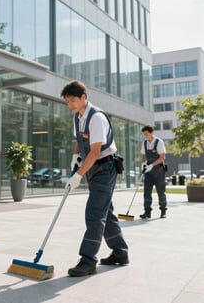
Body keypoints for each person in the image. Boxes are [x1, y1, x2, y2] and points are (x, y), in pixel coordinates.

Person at [61, 80, 128, 277]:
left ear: (84, 97)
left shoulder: (96, 117)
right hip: (93, 168)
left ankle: (88, 260)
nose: (70, 105)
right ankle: (120, 252)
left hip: (105, 168)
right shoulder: (78, 116)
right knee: (105, 212)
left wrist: (79, 175)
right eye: (67, 102)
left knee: (94, 212)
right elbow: (79, 142)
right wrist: (75, 159)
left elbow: (95, 150)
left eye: (73, 100)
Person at [140, 125, 167, 219]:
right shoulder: (144, 143)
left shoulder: (159, 142)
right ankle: (147, 211)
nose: (145, 136)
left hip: (158, 171)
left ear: (151, 133)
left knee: (161, 192)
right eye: (144, 134)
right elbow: (143, 155)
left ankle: (163, 210)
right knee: (146, 192)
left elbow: (162, 157)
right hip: (148, 172)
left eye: (146, 134)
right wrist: (144, 164)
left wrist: (152, 165)